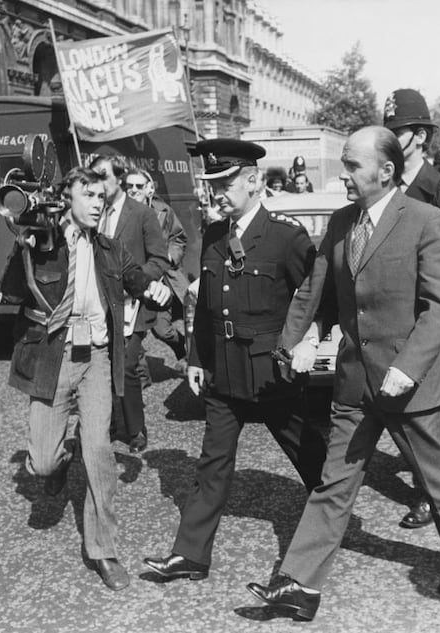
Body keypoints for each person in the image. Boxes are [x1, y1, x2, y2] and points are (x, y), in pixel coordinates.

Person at [246, 126, 440, 620]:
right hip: (355, 381)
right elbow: (314, 291)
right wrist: (292, 342)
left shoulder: (425, 220)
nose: (344, 174)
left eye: (352, 165)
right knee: (334, 481)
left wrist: (410, 366)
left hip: (406, 383)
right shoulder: (340, 223)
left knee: (435, 478)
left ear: (386, 171)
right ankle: (300, 585)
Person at [143, 139, 327, 583]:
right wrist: (196, 358)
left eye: (225, 182)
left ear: (253, 180)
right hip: (224, 371)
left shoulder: (286, 236)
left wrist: (310, 340)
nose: (217, 192)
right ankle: (190, 555)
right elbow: (206, 305)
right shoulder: (213, 234)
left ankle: (334, 513)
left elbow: (319, 296)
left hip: (269, 373)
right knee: (212, 463)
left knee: (308, 454)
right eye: (212, 184)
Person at [1, 167, 171, 590]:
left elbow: (136, 277)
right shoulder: (43, 244)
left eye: (102, 196)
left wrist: (157, 289)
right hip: (52, 359)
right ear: (66, 199)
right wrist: (23, 245)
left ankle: (104, 550)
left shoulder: (110, 248)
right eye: (89, 195)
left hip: (96, 358)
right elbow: (11, 293)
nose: (98, 203)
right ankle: (61, 459)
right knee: (41, 461)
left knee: (100, 454)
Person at [383, 88, 440, 529]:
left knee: (426, 413)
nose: (389, 138)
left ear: (419, 136)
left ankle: (432, 495)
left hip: (431, 320)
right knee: (397, 411)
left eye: (397, 131)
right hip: (392, 318)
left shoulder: (438, 190)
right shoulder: (383, 186)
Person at [89, 156, 170, 453]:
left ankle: (136, 429)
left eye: (102, 176)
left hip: (132, 306)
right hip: (99, 305)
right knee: (101, 365)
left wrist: (136, 280)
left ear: (119, 178)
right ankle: (108, 424)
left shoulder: (142, 214)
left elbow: (159, 258)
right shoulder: (92, 212)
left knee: (127, 365)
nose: (97, 183)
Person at [124, 168, 189, 368]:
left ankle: (182, 349)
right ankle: (137, 376)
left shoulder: (163, 211)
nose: (133, 190)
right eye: (129, 186)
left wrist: (169, 255)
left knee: (161, 329)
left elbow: (179, 238)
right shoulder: (119, 213)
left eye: (139, 186)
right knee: (132, 334)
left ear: (149, 189)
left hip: (161, 280)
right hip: (132, 281)